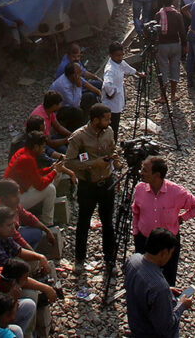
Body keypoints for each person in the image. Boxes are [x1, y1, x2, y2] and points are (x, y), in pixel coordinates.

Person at [131, 156, 195, 285]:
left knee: (167, 279)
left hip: (166, 244)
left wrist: (182, 218)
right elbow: (136, 211)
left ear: (157, 175)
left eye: (145, 170)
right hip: (144, 239)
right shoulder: (140, 189)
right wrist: (136, 232)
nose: (141, 173)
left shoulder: (176, 192)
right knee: (142, 276)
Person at [65, 104, 122, 270]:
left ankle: (109, 259)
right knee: (83, 222)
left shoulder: (109, 132)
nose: (109, 121)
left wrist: (115, 159)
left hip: (107, 183)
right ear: (96, 119)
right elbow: (69, 162)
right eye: (106, 119)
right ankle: (79, 259)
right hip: (87, 186)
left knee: (108, 223)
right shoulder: (79, 137)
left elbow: (112, 147)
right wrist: (93, 164)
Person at [123, 228, 193, 338]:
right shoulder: (160, 288)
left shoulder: (133, 260)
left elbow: (139, 288)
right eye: (170, 253)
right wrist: (182, 305)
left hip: (135, 326)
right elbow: (166, 327)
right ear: (164, 253)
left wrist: (168, 291)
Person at [0, 206, 51, 285]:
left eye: (13, 224)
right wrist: (45, 288)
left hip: (1, 273)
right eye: (9, 225)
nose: (13, 228)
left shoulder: (0, 233)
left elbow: (19, 251)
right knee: (30, 294)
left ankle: (37, 278)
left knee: (34, 260)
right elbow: (10, 276)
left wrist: (41, 257)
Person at [0, 179, 60, 256]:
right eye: (14, 196)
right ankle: (20, 258)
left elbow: (28, 217)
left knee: (37, 232)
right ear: (4, 198)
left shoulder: (12, 203)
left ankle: (25, 256)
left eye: (18, 194)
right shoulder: (1, 212)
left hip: (9, 236)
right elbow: (16, 237)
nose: (18, 198)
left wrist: (47, 230)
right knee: (32, 237)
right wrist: (37, 257)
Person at [3, 132, 59, 225]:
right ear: (36, 147)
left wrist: (50, 169)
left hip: (15, 193)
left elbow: (35, 174)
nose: (44, 150)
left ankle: (40, 209)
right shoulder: (28, 159)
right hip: (14, 202)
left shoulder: (23, 152)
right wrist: (55, 171)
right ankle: (48, 222)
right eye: (43, 147)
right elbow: (40, 185)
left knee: (50, 180)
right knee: (50, 189)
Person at [153, 0, 186, 105]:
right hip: (175, 45)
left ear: (162, 2)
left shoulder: (158, 15)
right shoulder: (177, 15)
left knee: (163, 70)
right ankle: (172, 95)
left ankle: (163, 96)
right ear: (172, 1)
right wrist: (185, 45)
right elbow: (182, 32)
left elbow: (155, 32)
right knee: (175, 69)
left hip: (163, 45)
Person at [102, 42, 139, 138]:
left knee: (116, 120)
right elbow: (107, 84)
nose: (120, 57)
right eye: (117, 56)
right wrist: (112, 93)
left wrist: (137, 73)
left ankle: (113, 141)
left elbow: (127, 68)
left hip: (118, 98)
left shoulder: (119, 62)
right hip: (111, 101)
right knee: (112, 123)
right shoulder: (110, 69)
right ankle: (111, 142)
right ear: (111, 55)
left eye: (122, 55)